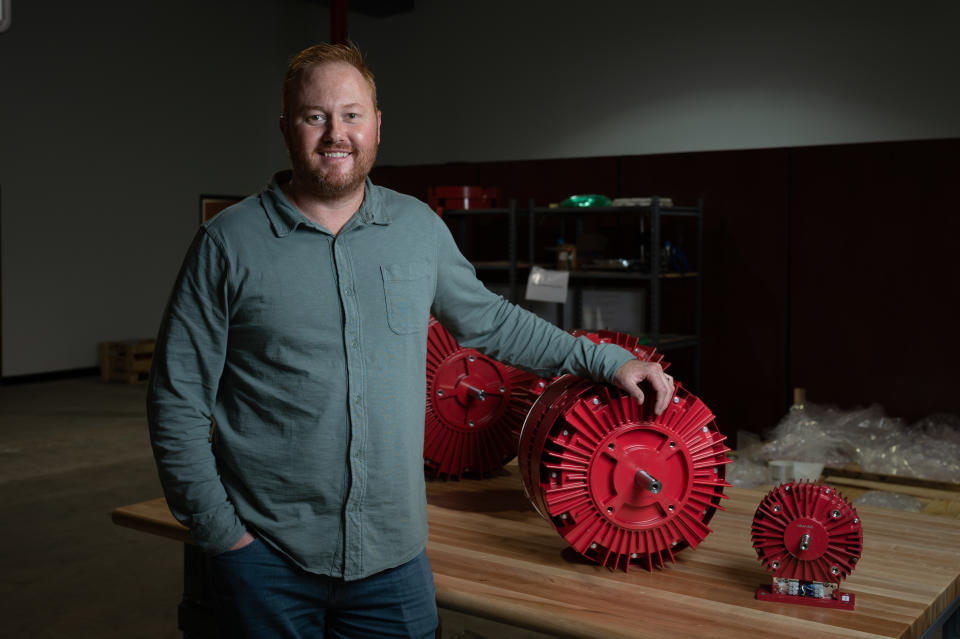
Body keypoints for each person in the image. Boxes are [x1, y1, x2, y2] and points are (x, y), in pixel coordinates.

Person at [147, 41, 674, 639]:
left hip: (390, 563)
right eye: (315, 115)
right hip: (267, 557)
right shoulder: (228, 243)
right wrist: (225, 537)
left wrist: (605, 361)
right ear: (286, 128)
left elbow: (492, 321)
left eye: (351, 114)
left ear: (377, 125)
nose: (335, 133)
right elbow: (176, 401)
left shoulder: (418, 229)